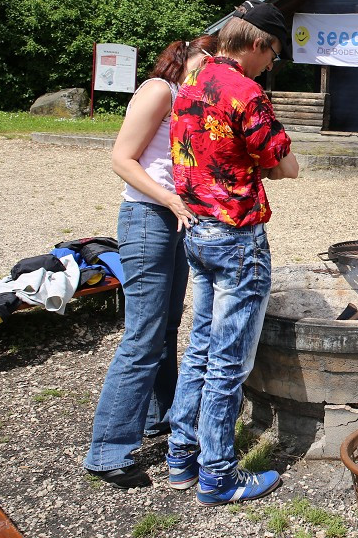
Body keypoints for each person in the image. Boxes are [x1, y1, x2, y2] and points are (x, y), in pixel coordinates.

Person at [164, 0, 300, 506]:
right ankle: (218, 475)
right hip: (237, 240)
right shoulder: (247, 91)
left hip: (196, 232)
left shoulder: (189, 85)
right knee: (228, 361)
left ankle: (182, 453)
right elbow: (286, 166)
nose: (271, 66)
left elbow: (207, 154)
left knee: (200, 345)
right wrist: (266, 168)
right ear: (258, 43)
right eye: (274, 55)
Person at [84, 35, 213, 489]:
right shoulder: (160, 89)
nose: (212, 72)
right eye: (208, 62)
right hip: (147, 219)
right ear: (187, 58)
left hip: (173, 218)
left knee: (166, 327)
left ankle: (159, 418)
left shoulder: (189, 101)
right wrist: (172, 201)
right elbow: (122, 158)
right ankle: (107, 450)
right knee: (143, 335)